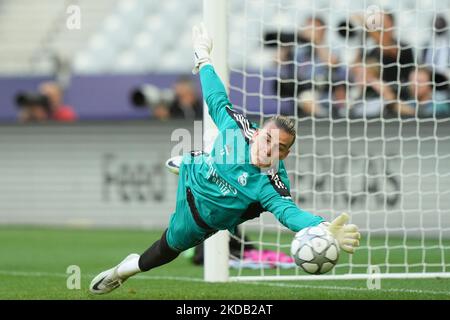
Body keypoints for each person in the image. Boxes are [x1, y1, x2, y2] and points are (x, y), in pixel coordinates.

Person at [89, 24, 361, 295]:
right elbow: (216, 98)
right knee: (212, 134)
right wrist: (203, 58)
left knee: (164, 251)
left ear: (285, 154)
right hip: (198, 174)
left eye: (278, 148)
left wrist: (322, 227)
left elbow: (290, 214)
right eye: (267, 140)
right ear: (256, 134)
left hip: (199, 218)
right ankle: (192, 161)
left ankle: (123, 270)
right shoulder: (238, 129)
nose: (269, 149)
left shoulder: (271, 185)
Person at [275, 16, 347, 117]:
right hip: (300, 89)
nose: (308, 31)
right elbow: (277, 61)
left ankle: (324, 117)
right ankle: (322, 116)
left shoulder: (332, 47)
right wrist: (288, 42)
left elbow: (332, 62)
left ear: (322, 30)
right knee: (305, 96)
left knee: (307, 97)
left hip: (324, 91)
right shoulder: (300, 49)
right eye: (307, 27)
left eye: (312, 28)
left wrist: (316, 41)